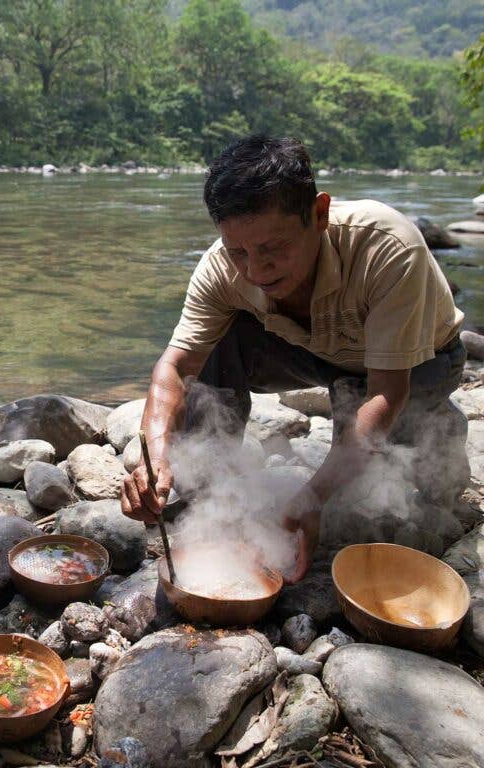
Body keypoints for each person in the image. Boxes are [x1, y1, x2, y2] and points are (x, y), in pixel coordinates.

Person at [120, 135, 467, 583]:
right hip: (315, 350)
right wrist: (156, 456)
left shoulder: (386, 246)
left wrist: (315, 494)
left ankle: (441, 424)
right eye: (238, 251)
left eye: (272, 249)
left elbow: (386, 391)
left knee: (381, 494)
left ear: (319, 214)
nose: (255, 270)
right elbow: (173, 369)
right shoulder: (223, 269)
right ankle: (211, 492)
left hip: (419, 362)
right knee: (214, 342)